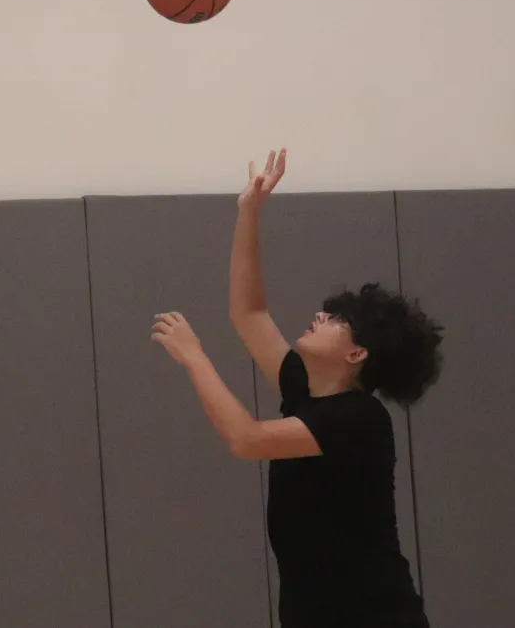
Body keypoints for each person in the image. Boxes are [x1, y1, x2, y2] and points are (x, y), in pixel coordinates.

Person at [151, 148, 443, 628]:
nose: (320, 316)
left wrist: (195, 356)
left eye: (337, 319)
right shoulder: (305, 389)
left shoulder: (360, 421)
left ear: (357, 353)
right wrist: (249, 212)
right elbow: (249, 313)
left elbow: (247, 439)